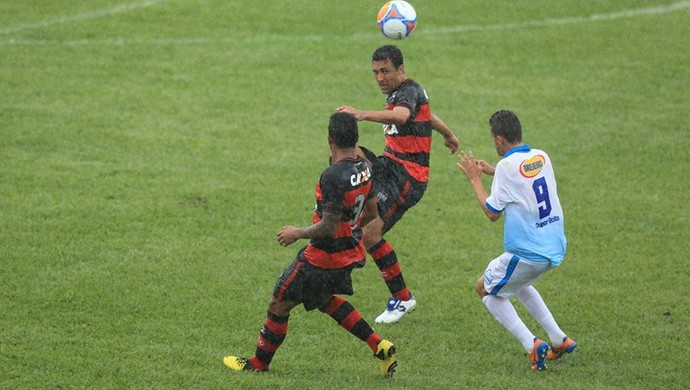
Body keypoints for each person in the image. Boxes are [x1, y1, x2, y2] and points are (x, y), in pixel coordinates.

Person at [223, 112, 398, 378]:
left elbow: (327, 226)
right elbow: (372, 212)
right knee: (324, 300)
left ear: (330, 139)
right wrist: (351, 227)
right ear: (355, 138)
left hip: (322, 257)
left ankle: (258, 364)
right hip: (349, 251)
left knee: (278, 302)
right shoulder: (364, 168)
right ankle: (380, 346)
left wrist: (297, 232)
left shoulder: (332, 176)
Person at [337, 45, 460, 324]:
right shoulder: (403, 93)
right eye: (375, 72)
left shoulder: (408, 91)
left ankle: (403, 298)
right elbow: (426, 116)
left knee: (371, 235)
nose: (380, 77)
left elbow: (403, 116)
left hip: (407, 177)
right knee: (351, 156)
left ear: (401, 69)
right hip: (389, 165)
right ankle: (342, 230)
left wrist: (361, 114)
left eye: (385, 71)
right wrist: (448, 133)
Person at [455, 110, 577, 371]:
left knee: (484, 289)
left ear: (499, 139)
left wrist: (475, 179)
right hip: (554, 247)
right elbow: (526, 182)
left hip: (528, 253)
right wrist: (493, 171)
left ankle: (532, 344)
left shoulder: (506, 168)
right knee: (517, 284)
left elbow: (492, 213)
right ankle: (559, 339)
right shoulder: (541, 156)